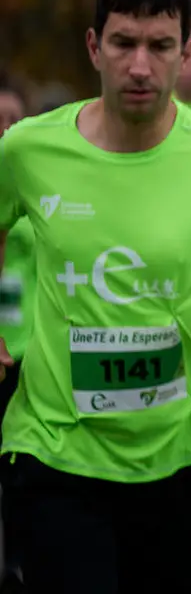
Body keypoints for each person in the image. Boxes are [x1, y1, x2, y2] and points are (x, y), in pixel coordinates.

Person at [0, 0, 191, 594]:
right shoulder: (27, 149)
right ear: (94, 47)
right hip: (56, 453)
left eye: (160, 46)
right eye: (123, 43)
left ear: (186, 54)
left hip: (181, 462)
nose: (140, 66)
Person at [0, 70, 34, 592]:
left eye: (13, 119)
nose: (4, 130)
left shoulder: (39, 196)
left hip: (27, 357)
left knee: (21, 483)